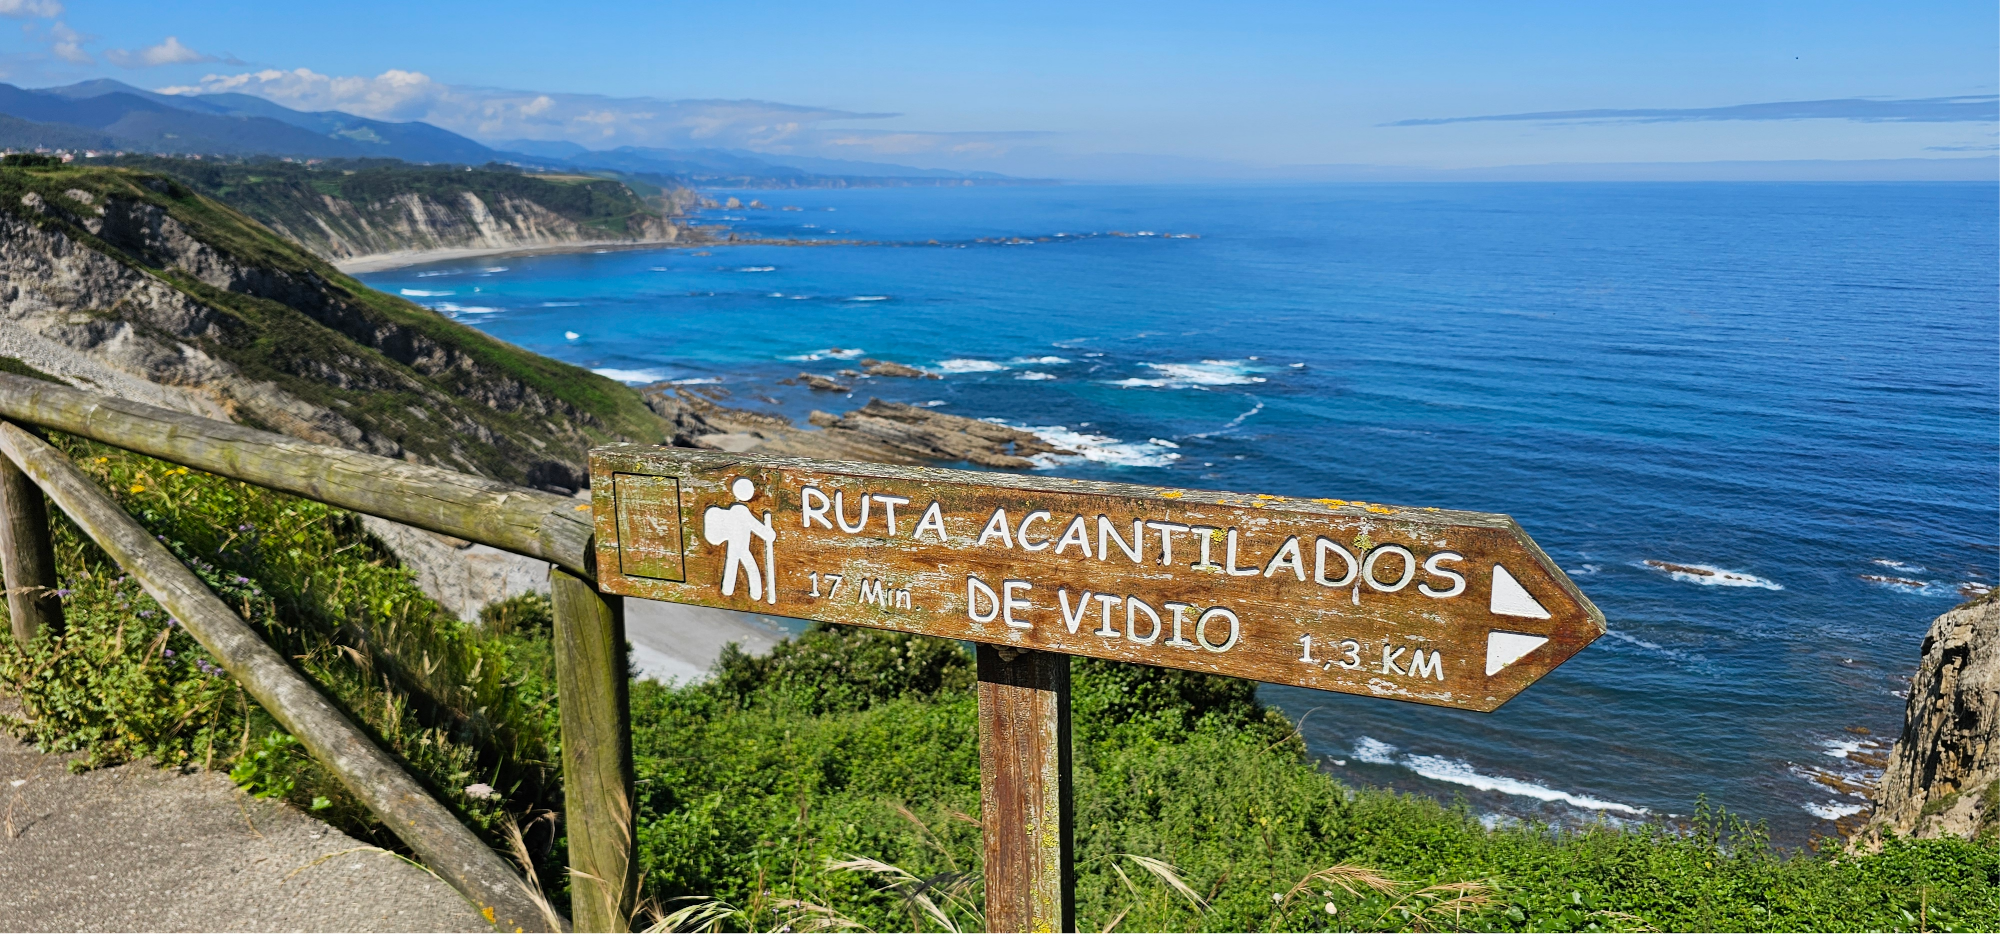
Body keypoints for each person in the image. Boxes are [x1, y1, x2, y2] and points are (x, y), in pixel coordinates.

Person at [703, 477, 775, 600]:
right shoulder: (742, 512)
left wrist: (768, 534)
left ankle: (729, 589)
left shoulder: (734, 511)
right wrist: (769, 534)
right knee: (748, 567)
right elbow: (757, 527)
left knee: (733, 565)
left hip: (736, 547)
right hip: (740, 547)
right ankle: (754, 593)